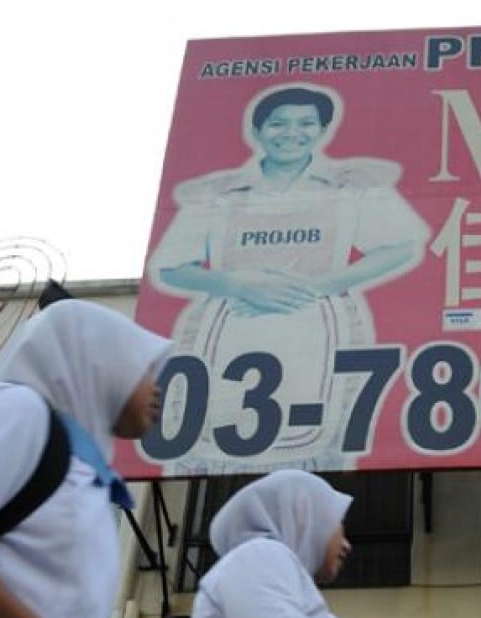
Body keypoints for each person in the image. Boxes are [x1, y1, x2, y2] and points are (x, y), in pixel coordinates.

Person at [147, 83, 430, 474]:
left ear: (323, 128)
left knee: (322, 440)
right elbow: (171, 265)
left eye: (306, 123)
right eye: (278, 124)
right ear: (258, 131)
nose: (291, 133)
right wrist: (236, 284)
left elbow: (402, 245)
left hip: (322, 328)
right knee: (207, 442)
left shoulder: (352, 184)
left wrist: (318, 286)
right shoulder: (218, 192)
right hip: (228, 330)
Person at [0, 299, 172, 618]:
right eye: (145, 367)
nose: (158, 387)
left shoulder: (85, 478)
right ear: (98, 359)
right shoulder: (18, 409)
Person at [186, 470, 356, 618]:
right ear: (305, 515)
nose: (347, 545)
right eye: (339, 523)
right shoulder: (258, 557)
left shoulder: (265, 568)